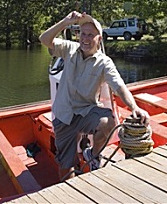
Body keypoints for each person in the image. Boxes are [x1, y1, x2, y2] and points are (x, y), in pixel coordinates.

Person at [39, 11, 150, 180]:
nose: (85, 38)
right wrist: (65, 22)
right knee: (65, 170)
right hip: (63, 115)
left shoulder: (104, 63)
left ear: (99, 39)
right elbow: (44, 39)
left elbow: (119, 86)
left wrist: (134, 107)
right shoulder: (69, 49)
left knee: (109, 122)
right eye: (83, 34)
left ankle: (93, 155)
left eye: (91, 35)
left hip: (85, 112)